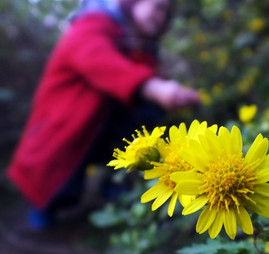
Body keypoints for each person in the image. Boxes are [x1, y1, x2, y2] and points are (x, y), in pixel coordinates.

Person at [7, 0, 200, 230]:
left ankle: (113, 186)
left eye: (168, 13)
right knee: (56, 181)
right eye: (158, 7)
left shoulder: (140, 44)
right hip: (64, 123)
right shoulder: (94, 23)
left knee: (148, 114)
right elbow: (98, 59)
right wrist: (153, 87)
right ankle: (43, 209)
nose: (162, 16)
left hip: (102, 123)